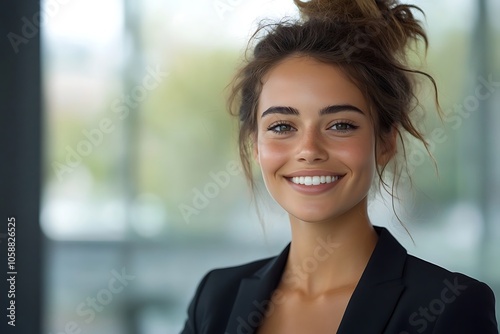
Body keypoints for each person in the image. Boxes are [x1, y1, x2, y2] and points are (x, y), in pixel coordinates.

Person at [181, 0, 498, 333]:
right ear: (255, 145)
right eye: (282, 127)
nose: (309, 150)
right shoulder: (216, 298)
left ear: (386, 142)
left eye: (341, 125)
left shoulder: (449, 307)